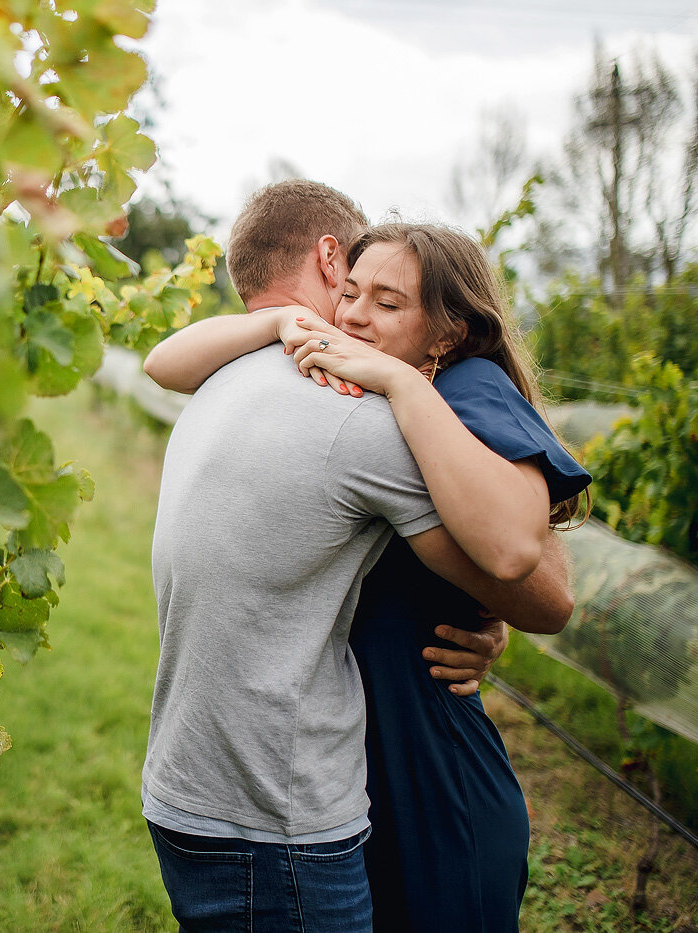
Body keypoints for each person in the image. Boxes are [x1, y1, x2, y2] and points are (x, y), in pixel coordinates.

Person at [144, 210, 591, 932]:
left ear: (444, 335)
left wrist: (403, 385)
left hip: (428, 757)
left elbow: (531, 570)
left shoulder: (461, 388)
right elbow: (164, 362)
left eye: (386, 303)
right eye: (349, 292)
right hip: (354, 755)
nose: (352, 315)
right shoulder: (351, 381)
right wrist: (281, 325)